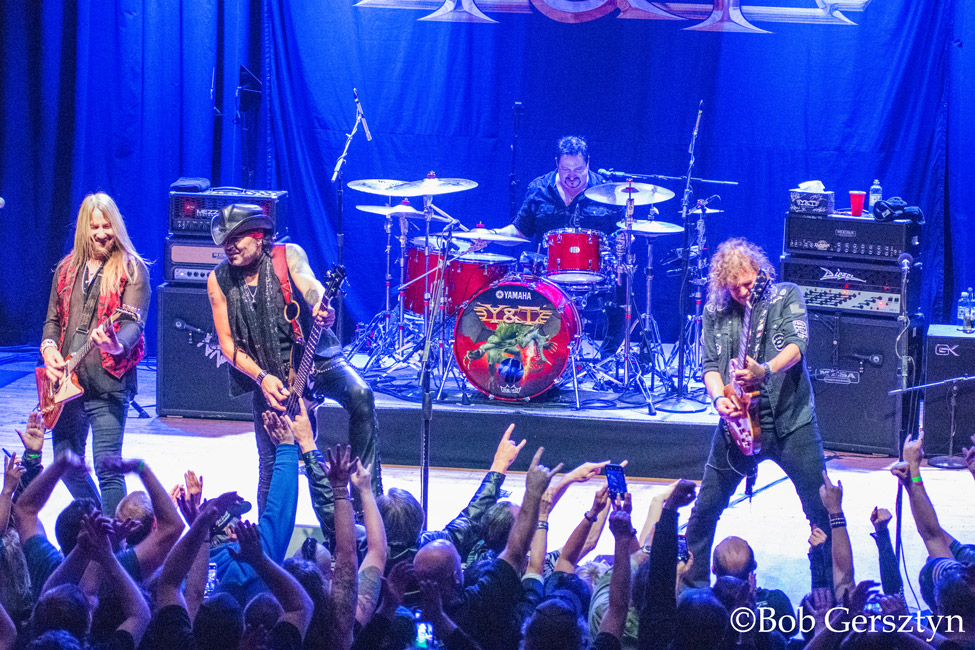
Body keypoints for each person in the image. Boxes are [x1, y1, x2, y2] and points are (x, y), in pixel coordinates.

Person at [206, 203, 382, 514]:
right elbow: (228, 345)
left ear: (259, 235)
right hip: (270, 377)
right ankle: (268, 542)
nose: (229, 247)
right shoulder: (218, 280)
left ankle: (367, 499)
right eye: (224, 241)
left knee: (361, 394)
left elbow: (311, 284)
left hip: (315, 357)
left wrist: (320, 306)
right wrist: (262, 378)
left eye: (237, 238)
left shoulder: (287, 255)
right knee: (271, 465)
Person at [683, 237, 830, 589]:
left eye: (749, 284)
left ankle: (827, 591)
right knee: (705, 509)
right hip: (737, 426)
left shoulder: (786, 295)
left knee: (821, 509)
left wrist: (764, 370)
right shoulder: (715, 311)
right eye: (734, 288)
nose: (744, 293)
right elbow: (710, 366)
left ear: (760, 273)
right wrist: (719, 401)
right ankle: (695, 591)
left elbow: (797, 347)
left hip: (790, 422)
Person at [40, 193, 150, 518]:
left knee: (108, 466)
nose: (102, 233)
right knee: (65, 461)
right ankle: (97, 523)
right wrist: (48, 350)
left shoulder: (132, 269)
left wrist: (115, 345)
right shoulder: (65, 268)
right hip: (65, 384)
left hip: (108, 383)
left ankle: (118, 546)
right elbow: (52, 322)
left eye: (107, 226)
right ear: (83, 230)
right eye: (95, 227)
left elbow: (133, 324)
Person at [486, 136, 625, 357]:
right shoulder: (539, 188)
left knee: (622, 284)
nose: (572, 175)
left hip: (595, 272)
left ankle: (607, 358)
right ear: (556, 164)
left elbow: (622, 231)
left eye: (578, 169)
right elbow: (519, 231)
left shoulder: (607, 191)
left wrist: (624, 239)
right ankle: (540, 358)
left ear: (588, 163)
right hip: (547, 276)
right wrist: (490, 235)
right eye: (565, 169)